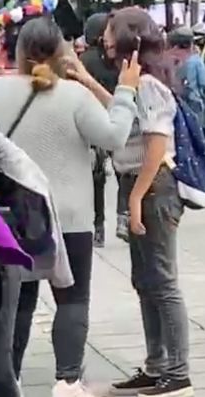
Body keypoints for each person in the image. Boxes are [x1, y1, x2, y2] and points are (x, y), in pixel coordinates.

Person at [0, 16, 139, 397]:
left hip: (14, 217)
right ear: (62, 53)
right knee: (72, 298)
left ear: (16, 52)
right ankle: (67, 381)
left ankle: (8, 378)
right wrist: (126, 93)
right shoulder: (74, 96)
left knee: (18, 302)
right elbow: (115, 137)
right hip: (70, 216)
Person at [105, 8, 193, 397]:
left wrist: (137, 198)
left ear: (128, 36)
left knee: (162, 281)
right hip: (139, 184)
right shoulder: (133, 82)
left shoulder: (149, 84)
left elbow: (156, 144)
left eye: (109, 31)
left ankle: (178, 372)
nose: (104, 38)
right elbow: (117, 111)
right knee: (145, 280)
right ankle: (157, 365)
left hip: (153, 186)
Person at [80, 12, 121, 248]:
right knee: (122, 171)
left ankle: (98, 227)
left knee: (96, 179)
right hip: (117, 118)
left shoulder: (85, 60)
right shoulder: (117, 59)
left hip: (92, 121)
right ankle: (124, 216)